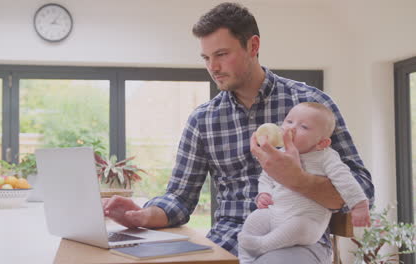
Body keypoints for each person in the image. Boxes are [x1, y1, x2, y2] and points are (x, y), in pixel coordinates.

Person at [102, 2, 374, 263]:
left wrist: (297, 179)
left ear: (253, 46)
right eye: (207, 58)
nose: (213, 67)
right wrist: (142, 216)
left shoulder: (312, 107)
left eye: (221, 54)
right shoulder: (203, 120)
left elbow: (363, 190)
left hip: (296, 239)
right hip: (227, 241)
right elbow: (180, 198)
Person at [237, 102, 370, 263]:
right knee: (255, 218)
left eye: (304, 127)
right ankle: (245, 258)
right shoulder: (279, 153)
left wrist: (359, 205)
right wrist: (264, 193)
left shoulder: (326, 157)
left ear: (322, 143)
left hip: (307, 222)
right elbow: (265, 178)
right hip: (276, 214)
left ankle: (262, 246)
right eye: (289, 121)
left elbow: (345, 180)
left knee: (299, 226)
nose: (291, 129)